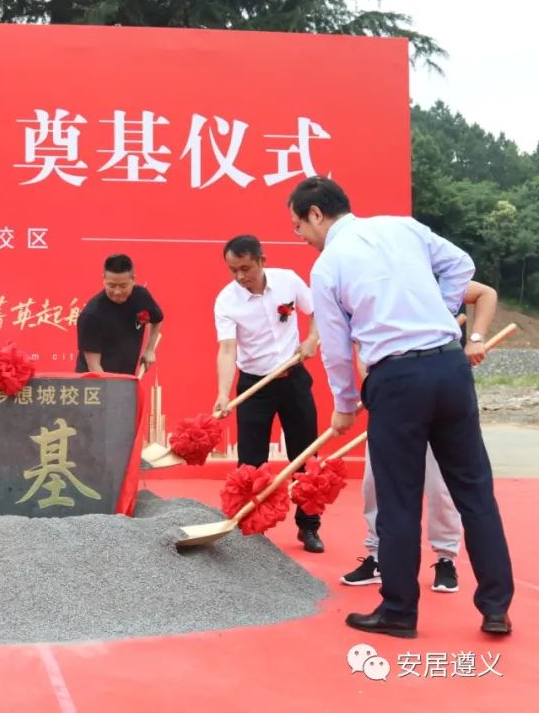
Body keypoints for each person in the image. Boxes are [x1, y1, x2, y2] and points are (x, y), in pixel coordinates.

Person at [289, 175, 513, 638]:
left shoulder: (328, 266)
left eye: (299, 226)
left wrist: (344, 404)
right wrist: (442, 309)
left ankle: (398, 611)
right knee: (475, 492)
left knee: (398, 500)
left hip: (396, 380)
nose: (301, 236)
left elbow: (336, 348)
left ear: (316, 213)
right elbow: (462, 264)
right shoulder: (402, 227)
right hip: (449, 368)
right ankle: (496, 608)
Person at [341, 280, 498, 593]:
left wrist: (476, 339)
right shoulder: (376, 285)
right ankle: (378, 555)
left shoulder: (434, 278)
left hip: (441, 391)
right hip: (393, 396)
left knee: (441, 485)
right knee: (376, 481)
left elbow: (486, 293)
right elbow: (361, 346)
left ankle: (445, 558)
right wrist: (374, 381)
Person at [212, 235, 324, 552]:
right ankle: (252, 528)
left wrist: (312, 338)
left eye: (245, 268)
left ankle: (309, 526)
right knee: (251, 463)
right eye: (233, 270)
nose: (239, 276)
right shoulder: (227, 300)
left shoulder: (288, 281)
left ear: (262, 261)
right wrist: (223, 393)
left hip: (293, 379)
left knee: (305, 456)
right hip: (254, 386)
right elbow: (227, 349)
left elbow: (318, 311)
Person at [75, 254, 163, 375]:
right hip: (94, 381)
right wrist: (113, 386)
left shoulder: (141, 296)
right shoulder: (91, 316)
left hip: (125, 377)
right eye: (111, 285)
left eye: (123, 286)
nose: (117, 292)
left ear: (133, 280)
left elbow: (157, 319)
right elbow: (94, 366)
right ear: (104, 279)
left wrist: (149, 350)